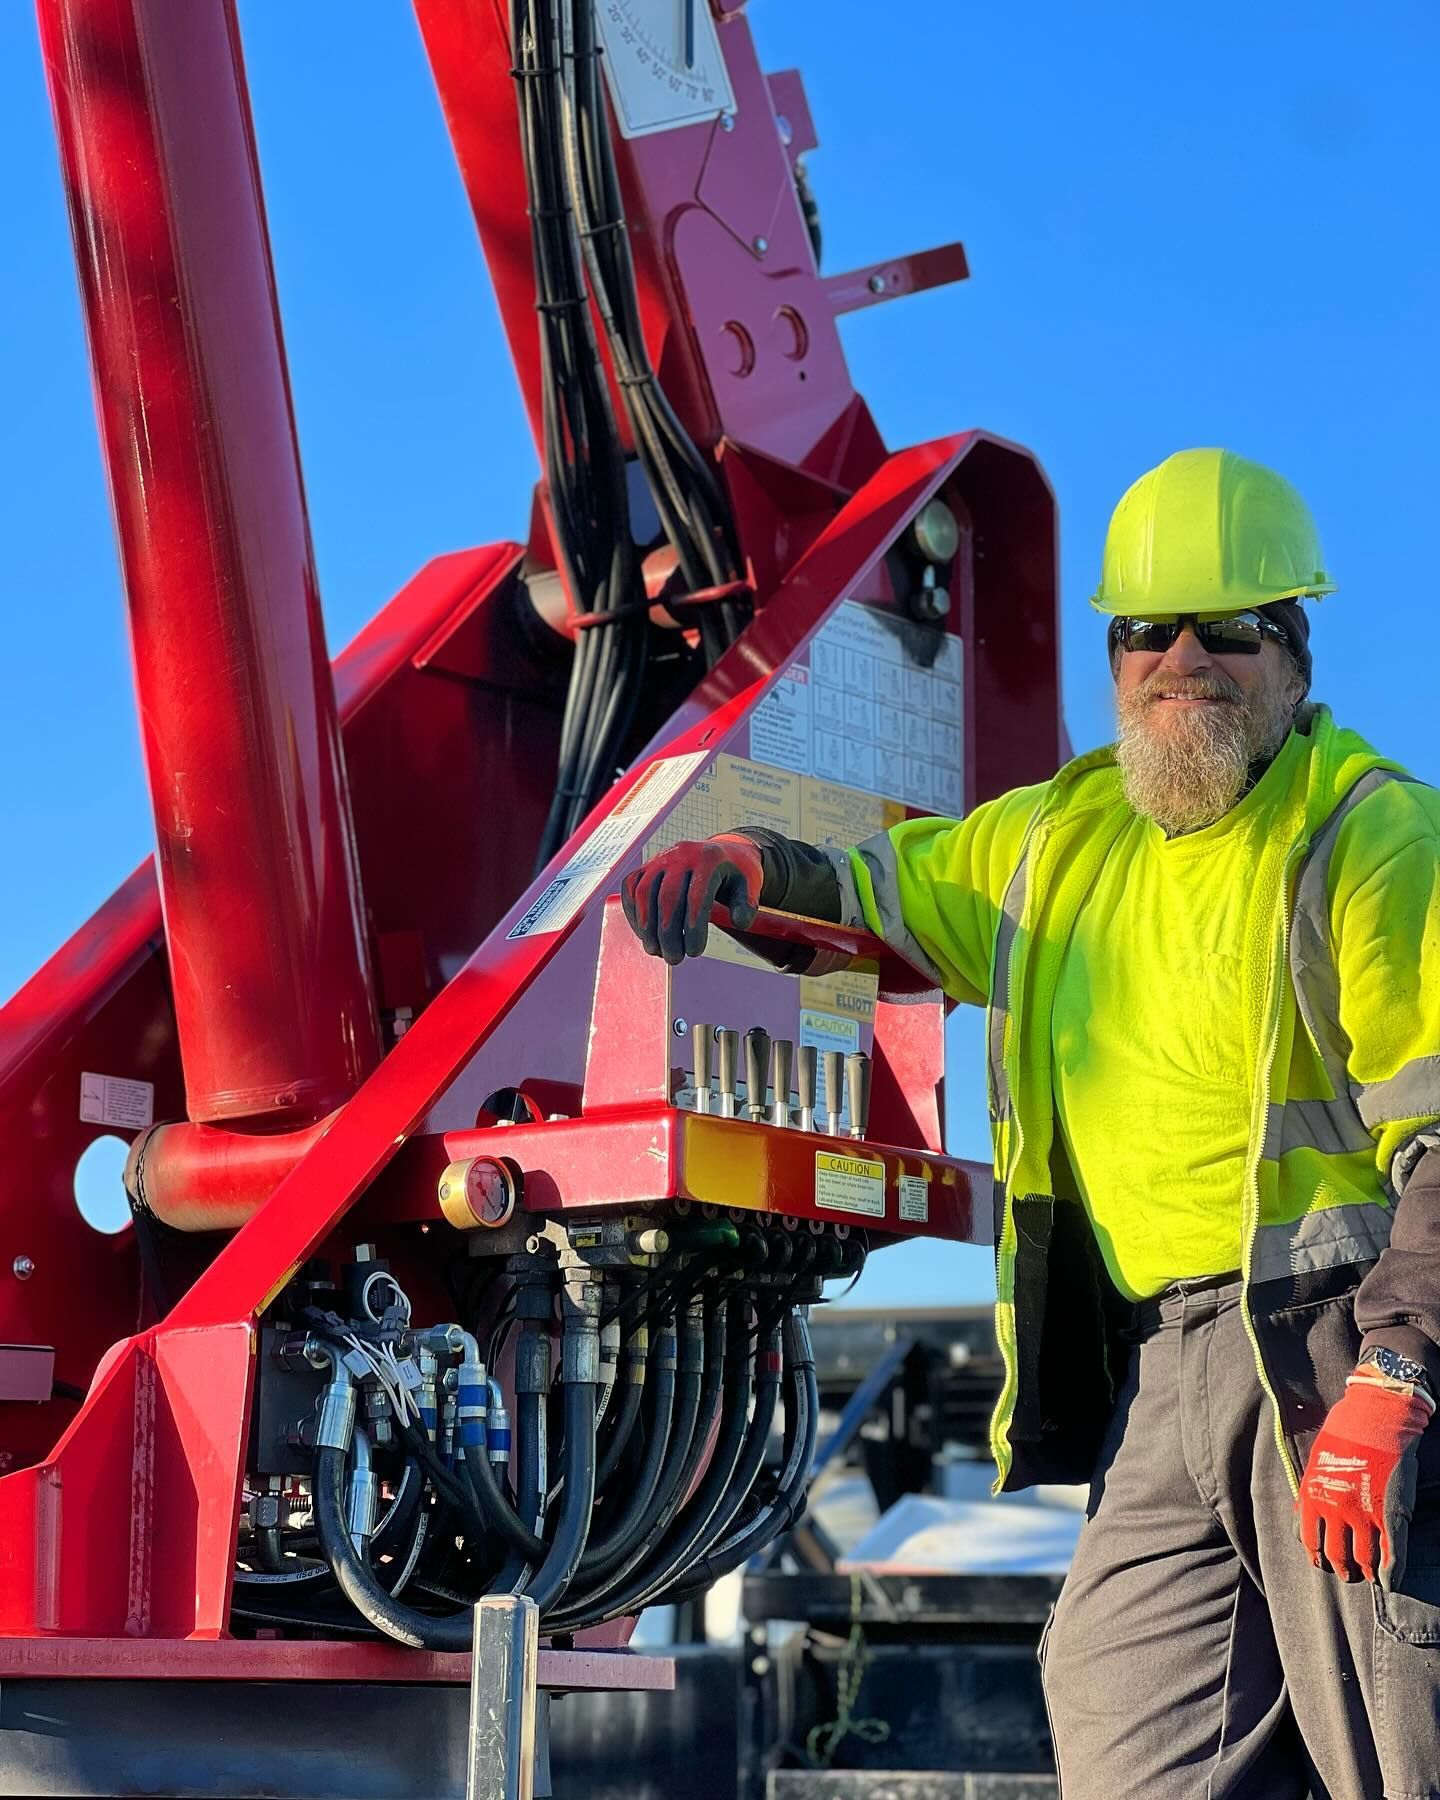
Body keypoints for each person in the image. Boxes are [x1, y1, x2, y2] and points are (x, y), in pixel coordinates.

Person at [620, 448, 1440, 1799]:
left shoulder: (1365, 837)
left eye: (1226, 631)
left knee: (1401, 1740)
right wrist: (754, 870)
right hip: (1160, 1367)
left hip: (1331, 1356)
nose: (1182, 661)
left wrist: (1396, 1376)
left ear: (1291, 651)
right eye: (1145, 633)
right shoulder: (1062, 839)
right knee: (1130, 1730)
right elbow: (888, 886)